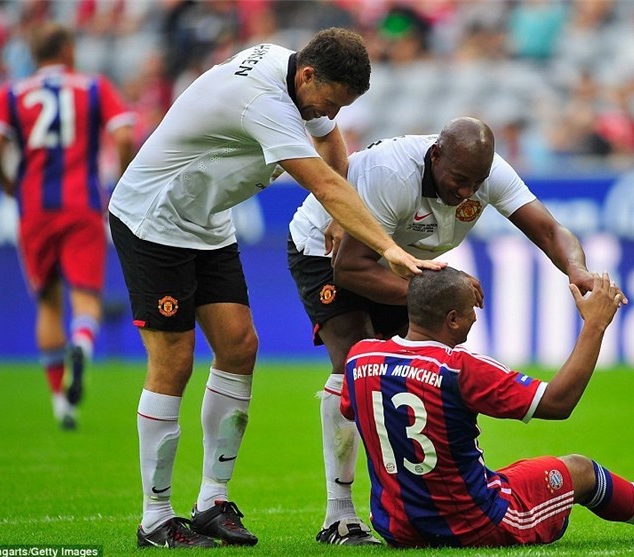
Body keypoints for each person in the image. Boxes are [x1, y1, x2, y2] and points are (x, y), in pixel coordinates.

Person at [107, 28, 443, 549]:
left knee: (240, 346)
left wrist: (338, 219)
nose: (327, 114)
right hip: (153, 219)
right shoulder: (265, 102)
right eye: (329, 101)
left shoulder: (298, 75)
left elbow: (332, 143)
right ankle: (155, 517)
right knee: (174, 361)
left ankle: (212, 501)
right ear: (308, 76)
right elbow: (324, 183)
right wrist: (389, 248)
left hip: (206, 220)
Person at [287, 116, 608, 545]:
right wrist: (436, 289)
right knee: (354, 361)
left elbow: (550, 232)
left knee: (408, 368)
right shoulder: (391, 174)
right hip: (328, 252)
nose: (467, 193)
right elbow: (350, 268)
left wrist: (577, 268)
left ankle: (423, 498)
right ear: (435, 155)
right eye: (459, 180)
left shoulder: (483, 173)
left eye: (477, 183)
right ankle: (339, 515)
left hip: (408, 265)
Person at [341, 266, 634, 547]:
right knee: (581, 470)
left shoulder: (360, 358)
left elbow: (349, 412)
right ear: (452, 320)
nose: (475, 316)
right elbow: (558, 403)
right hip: (475, 525)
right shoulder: (461, 369)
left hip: (396, 527)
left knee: (514, 472)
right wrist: (595, 325)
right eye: (470, 310)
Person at [0, 22, 136, 430]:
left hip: (34, 208)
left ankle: (61, 404)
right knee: (85, 297)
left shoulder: (11, 93)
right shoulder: (94, 87)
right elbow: (123, 136)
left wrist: (6, 181)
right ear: (67, 49)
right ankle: (82, 343)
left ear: (33, 54)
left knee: (48, 303)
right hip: (82, 205)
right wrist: (121, 181)